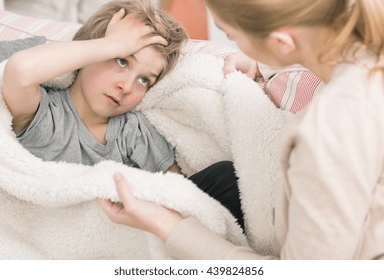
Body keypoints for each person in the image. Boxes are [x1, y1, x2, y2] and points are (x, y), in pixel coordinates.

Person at [98, 0, 384, 259]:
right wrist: (266, 63)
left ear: (282, 42)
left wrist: (168, 225)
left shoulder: (330, 130)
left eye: (231, 35)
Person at [1, 0, 246, 230]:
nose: (127, 86)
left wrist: (237, 59)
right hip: (57, 229)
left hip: (133, 234)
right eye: (121, 61)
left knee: (227, 177)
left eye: (144, 80)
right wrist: (112, 44)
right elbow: (20, 70)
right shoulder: (46, 115)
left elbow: (178, 193)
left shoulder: (133, 129)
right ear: (91, 49)